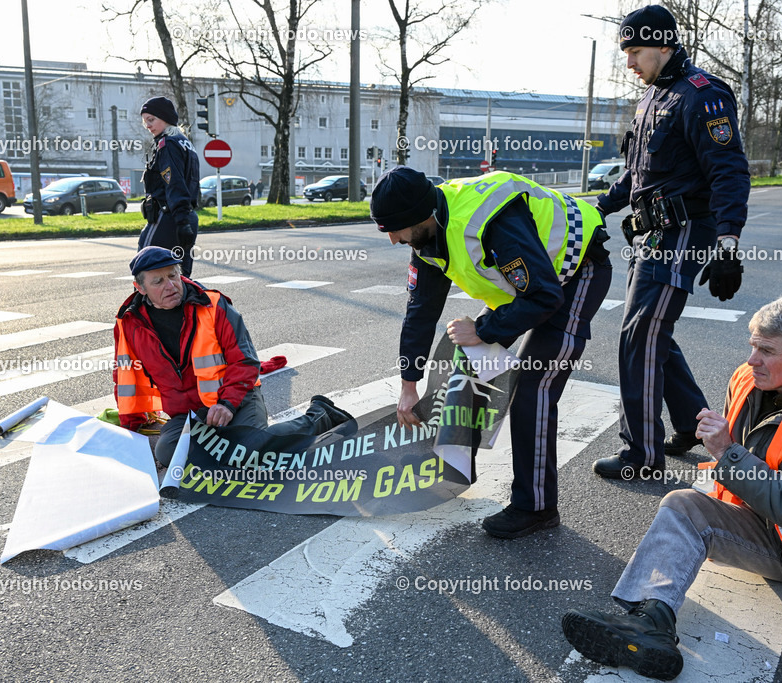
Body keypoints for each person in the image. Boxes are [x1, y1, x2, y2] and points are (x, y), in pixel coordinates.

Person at [562, 293, 782, 682]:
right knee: (682, 504)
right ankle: (649, 621)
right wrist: (728, 458)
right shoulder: (747, 378)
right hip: (774, 538)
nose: (752, 359)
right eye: (753, 345)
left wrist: (726, 452)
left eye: (767, 350)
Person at [370, 166, 613, 538]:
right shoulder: (427, 235)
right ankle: (454, 469)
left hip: (576, 272)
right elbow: (420, 312)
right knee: (466, 367)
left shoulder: (488, 221)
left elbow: (546, 296)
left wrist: (482, 330)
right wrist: (408, 385)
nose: (393, 240)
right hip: (527, 288)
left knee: (533, 387)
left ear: (420, 216)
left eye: (395, 230)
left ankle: (536, 507)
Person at [591, 5, 751, 481]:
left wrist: (727, 244)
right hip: (652, 234)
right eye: (625, 52)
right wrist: (597, 207)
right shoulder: (651, 98)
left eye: (635, 51)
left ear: (663, 44)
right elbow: (636, 174)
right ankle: (690, 424)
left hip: (683, 233)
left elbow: (729, 172)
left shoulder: (703, 95)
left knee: (639, 335)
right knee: (650, 331)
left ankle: (640, 454)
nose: (629, 63)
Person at [113, 246, 353, 467]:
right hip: (190, 415)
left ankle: (319, 415)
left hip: (237, 399)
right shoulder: (129, 323)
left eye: (173, 275)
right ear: (140, 288)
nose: (170, 285)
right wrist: (132, 429)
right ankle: (229, 448)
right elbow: (125, 378)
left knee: (248, 452)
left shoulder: (213, 305)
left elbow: (245, 360)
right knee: (168, 452)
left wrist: (227, 403)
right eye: (158, 281)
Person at [139, 96, 201, 278]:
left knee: (144, 269)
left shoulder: (168, 144)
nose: (148, 126)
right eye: (145, 121)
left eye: (151, 119)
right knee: (180, 276)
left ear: (165, 117)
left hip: (168, 217)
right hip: (187, 216)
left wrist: (180, 220)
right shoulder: (185, 143)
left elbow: (174, 183)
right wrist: (184, 220)